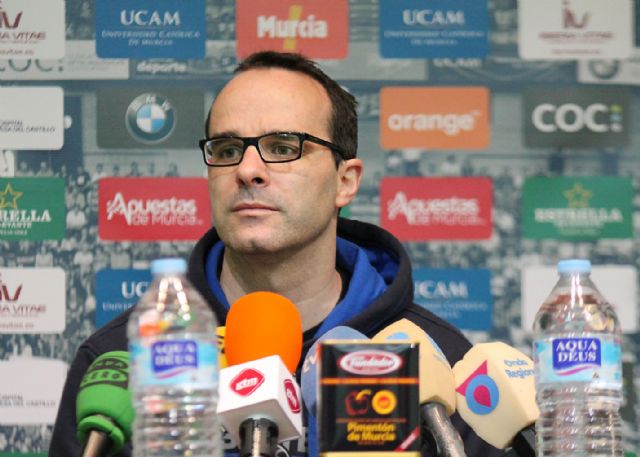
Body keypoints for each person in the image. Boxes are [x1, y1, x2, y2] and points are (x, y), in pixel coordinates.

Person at [49, 51, 506, 457]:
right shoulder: (123, 362)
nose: (248, 170)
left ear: (345, 181)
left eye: (283, 147)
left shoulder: (437, 365)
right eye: (228, 149)